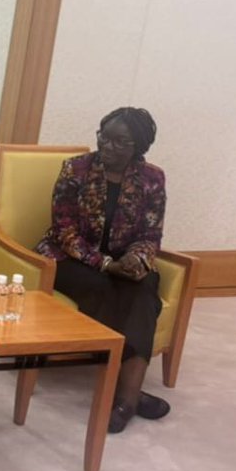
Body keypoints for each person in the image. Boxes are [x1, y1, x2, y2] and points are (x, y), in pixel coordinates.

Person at [36, 107, 168, 434]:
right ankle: (130, 394)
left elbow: (150, 235)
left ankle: (125, 399)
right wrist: (106, 264)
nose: (107, 147)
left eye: (119, 142)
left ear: (138, 146)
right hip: (70, 259)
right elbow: (63, 230)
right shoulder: (76, 169)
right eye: (103, 137)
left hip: (124, 261)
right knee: (104, 287)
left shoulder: (152, 179)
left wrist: (135, 261)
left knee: (144, 290)